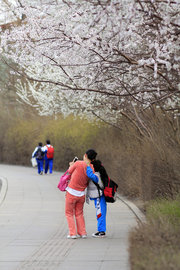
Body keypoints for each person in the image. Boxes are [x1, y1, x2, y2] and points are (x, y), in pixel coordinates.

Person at [65, 149, 97, 239]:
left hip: (71, 192)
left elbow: (69, 172)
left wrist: (71, 165)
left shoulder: (78, 163)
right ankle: (83, 233)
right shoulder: (92, 168)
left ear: (85, 155)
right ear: (93, 159)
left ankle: (72, 233)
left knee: (69, 213)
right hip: (81, 194)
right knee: (79, 213)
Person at [84, 157, 107, 238]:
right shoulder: (100, 174)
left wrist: (87, 165)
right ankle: (101, 230)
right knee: (100, 213)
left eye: (92, 166)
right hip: (100, 197)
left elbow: (90, 175)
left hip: (99, 197)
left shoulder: (97, 175)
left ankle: (101, 232)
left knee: (100, 213)